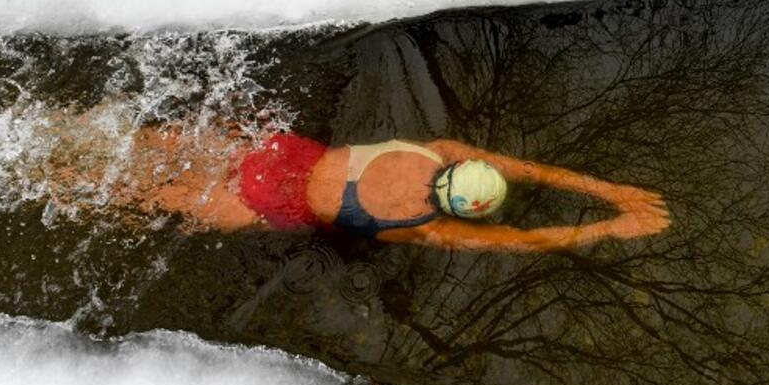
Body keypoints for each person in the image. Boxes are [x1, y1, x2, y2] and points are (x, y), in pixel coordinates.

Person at [120, 128, 670, 252]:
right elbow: (521, 242)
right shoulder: (425, 227)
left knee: (154, 144)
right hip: (266, 205)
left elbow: (530, 168)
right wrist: (610, 226)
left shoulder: (438, 149)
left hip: (283, 153)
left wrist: (610, 187)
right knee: (128, 199)